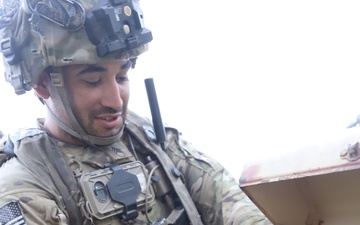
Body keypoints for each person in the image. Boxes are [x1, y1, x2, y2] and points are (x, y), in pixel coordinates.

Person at [0, 0, 271, 224]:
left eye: (122, 76)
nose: (115, 100)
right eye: (93, 81)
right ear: (42, 84)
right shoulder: (22, 185)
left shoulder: (148, 139)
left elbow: (228, 200)